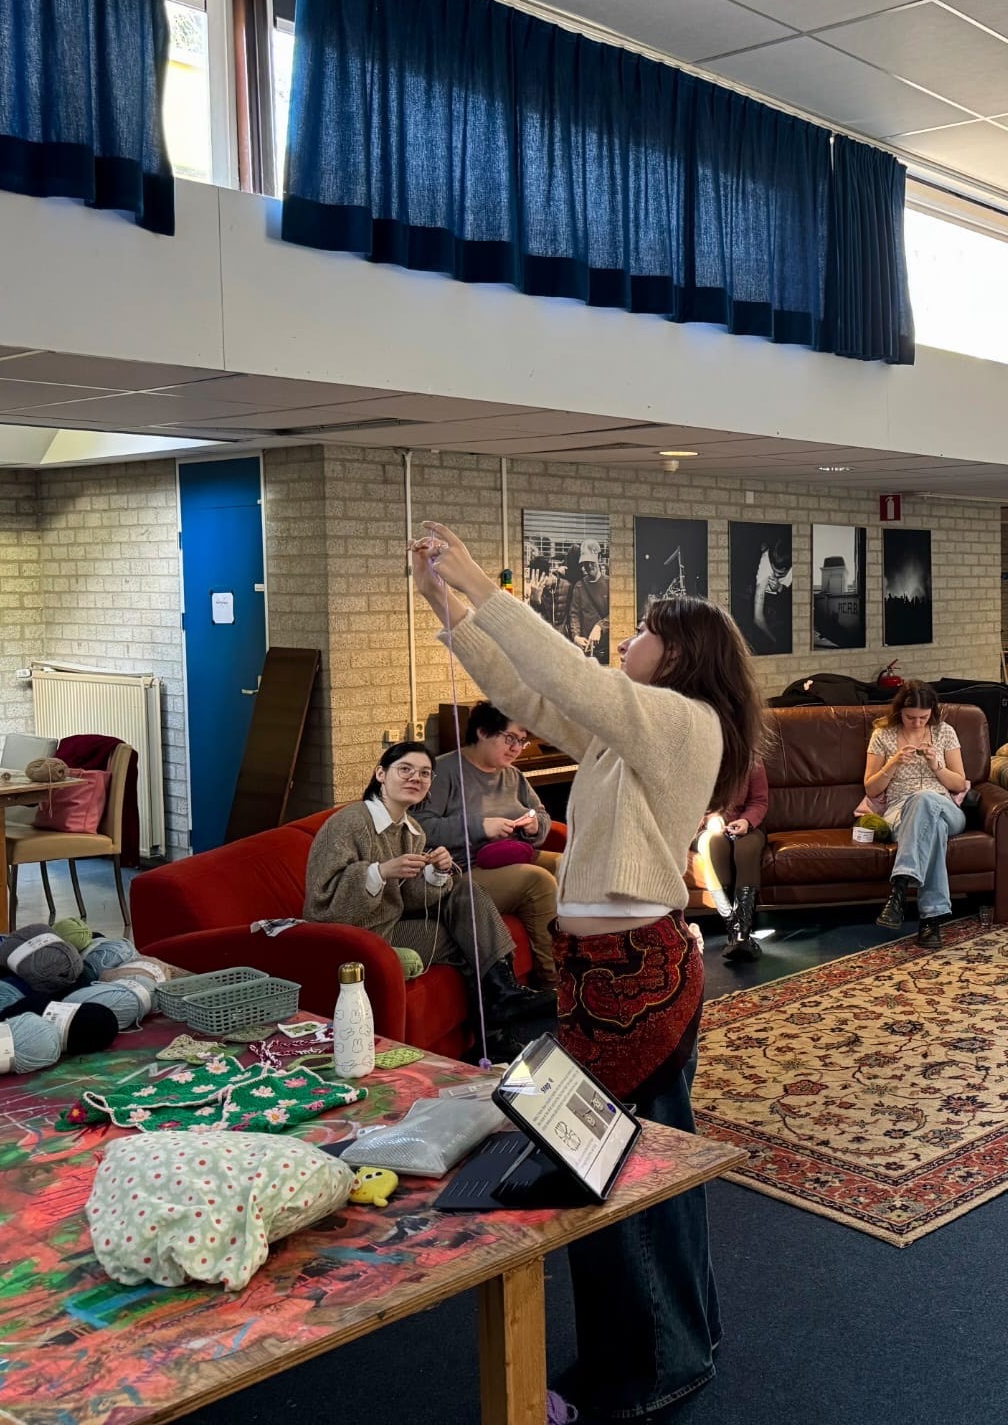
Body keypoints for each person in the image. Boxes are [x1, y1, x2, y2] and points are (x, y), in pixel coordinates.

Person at [409, 518, 761, 1423]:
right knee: (627, 1161)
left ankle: (657, 1366)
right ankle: (676, 1342)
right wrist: (448, 610)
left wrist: (482, 584)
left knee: (620, 1169)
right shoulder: (628, 731)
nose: (629, 639)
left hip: (633, 977)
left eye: (644, 631)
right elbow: (527, 689)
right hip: (602, 972)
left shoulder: (682, 722)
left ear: (680, 656)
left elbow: (569, 674)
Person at [303, 739, 551, 1038]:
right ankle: (499, 1024)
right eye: (405, 769)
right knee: (468, 937)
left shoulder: (413, 831)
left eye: (424, 773)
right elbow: (323, 905)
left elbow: (409, 900)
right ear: (381, 774)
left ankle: (503, 1001)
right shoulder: (349, 823)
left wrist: (436, 874)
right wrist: (380, 872)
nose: (415, 778)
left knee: (465, 894)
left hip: (393, 925)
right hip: (358, 936)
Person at [418, 702, 562, 986]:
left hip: (512, 854)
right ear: (483, 732)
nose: (517, 748)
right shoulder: (443, 771)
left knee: (571, 867)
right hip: (465, 869)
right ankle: (552, 985)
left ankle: (588, 967)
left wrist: (535, 826)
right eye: (510, 739)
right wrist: (480, 826)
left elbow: (541, 814)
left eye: (522, 741)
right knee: (538, 881)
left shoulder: (513, 775)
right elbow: (421, 827)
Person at [863, 683, 970, 950]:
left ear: (932, 712)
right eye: (911, 717)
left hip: (945, 807)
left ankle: (900, 885)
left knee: (925, 799)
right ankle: (931, 920)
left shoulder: (945, 732)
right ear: (900, 711)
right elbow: (871, 788)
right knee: (934, 829)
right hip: (900, 812)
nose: (918, 723)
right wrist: (893, 763)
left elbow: (959, 783)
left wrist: (937, 766)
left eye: (923, 717)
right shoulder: (882, 735)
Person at [706, 759, 770, 963]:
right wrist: (710, 819)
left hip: (747, 825)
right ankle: (736, 933)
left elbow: (759, 801)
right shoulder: (696, 753)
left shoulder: (751, 758)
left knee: (746, 848)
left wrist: (746, 821)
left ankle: (741, 934)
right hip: (709, 827)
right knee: (716, 844)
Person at [570, 539, 609, 660]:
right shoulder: (579, 586)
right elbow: (574, 614)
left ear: (599, 559)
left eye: (592, 561)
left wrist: (600, 626)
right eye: (586, 563)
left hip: (607, 650)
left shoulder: (610, 584)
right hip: (587, 650)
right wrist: (576, 636)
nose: (589, 566)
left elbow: (617, 614)